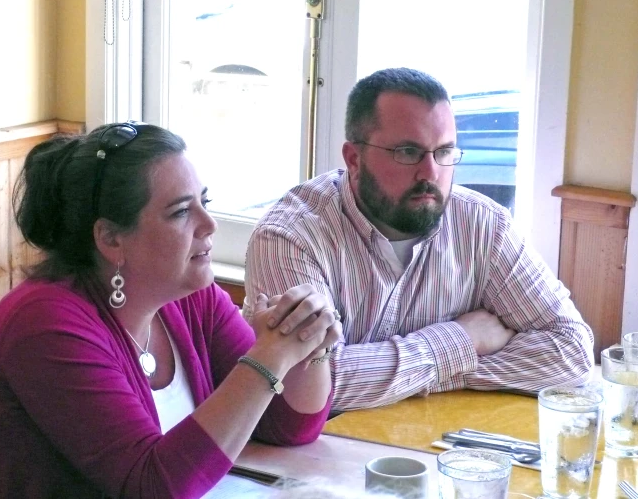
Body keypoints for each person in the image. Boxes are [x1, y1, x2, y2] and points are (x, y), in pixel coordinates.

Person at [0, 122, 341, 498]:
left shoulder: (190, 295)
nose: (209, 225)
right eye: (180, 212)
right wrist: (269, 357)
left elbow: (287, 426)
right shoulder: (46, 324)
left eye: (204, 202)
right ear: (111, 239)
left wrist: (308, 341)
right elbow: (152, 485)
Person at [245, 67, 594, 411]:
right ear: (354, 158)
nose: (431, 173)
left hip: (435, 444)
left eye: (444, 152)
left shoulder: (484, 225)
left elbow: (572, 352)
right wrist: (462, 340)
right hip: (313, 456)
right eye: (407, 152)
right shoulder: (290, 236)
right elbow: (307, 388)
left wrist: (438, 372)